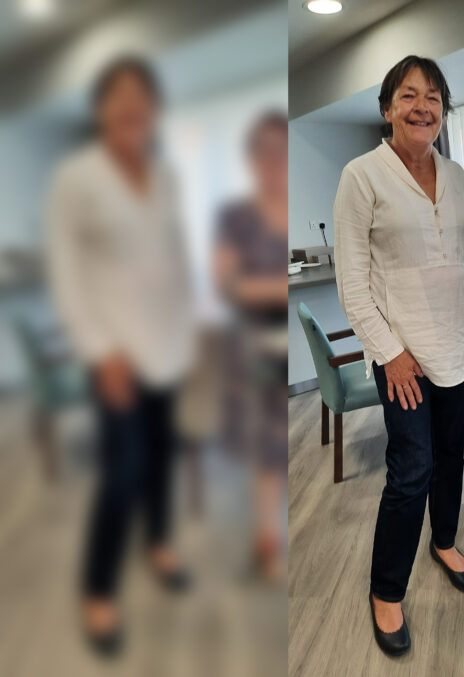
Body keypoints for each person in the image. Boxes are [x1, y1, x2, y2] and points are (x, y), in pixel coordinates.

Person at [333, 55, 464, 657]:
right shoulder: (362, 176)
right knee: (411, 469)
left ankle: (443, 540)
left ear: (443, 111)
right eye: (409, 95)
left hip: (456, 343)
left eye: (433, 98)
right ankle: (387, 589)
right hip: (403, 355)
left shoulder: (458, 174)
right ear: (388, 107)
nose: (422, 107)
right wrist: (390, 354)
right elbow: (353, 279)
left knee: (452, 454)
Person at [46, 56, 197, 656]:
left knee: (162, 457)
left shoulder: (163, 177)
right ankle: (98, 590)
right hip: (113, 355)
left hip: (166, 346)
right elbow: (67, 274)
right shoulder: (78, 179)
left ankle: (158, 543)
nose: (133, 107)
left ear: (153, 110)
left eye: (143, 96)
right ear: (102, 108)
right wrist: (99, 351)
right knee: (123, 471)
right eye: (120, 96)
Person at [214, 111, 290, 583]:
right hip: (253, 350)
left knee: (281, 448)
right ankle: (266, 540)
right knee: (267, 452)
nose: (273, 159)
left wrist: (261, 285)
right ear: (250, 157)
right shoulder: (235, 215)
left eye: (280, 149)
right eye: (263, 149)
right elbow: (226, 284)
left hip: (282, 346)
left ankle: (276, 534)